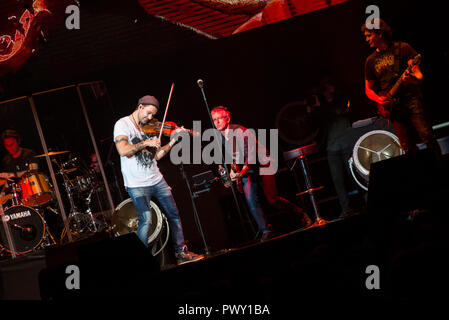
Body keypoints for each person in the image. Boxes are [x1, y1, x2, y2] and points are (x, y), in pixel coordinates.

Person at [113, 95, 203, 265]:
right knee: (146, 219)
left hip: (156, 179)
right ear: (140, 107)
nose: (149, 118)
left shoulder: (149, 128)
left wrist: (173, 142)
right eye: (147, 113)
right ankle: (139, 262)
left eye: (152, 116)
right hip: (136, 184)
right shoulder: (122, 124)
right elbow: (123, 150)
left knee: (174, 214)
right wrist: (145, 143)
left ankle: (181, 253)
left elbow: (156, 156)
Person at [211, 106, 312, 242]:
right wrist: (232, 172)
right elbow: (234, 156)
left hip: (263, 164)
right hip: (248, 169)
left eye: (219, 119)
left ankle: (299, 213)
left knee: (272, 199)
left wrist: (240, 173)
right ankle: (266, 230)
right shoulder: (223, 137)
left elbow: (250, 156)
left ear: (227, 119)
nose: (216, 122)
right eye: (214, 119)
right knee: (250, 200)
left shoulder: (240, 132)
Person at [362, 18, 441, 160]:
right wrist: (379, 99)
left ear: (379, 33)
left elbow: (419, 76)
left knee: (427, 135)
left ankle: (439, 167)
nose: (367, 39)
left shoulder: (403, 48)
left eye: (369, 35)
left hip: (411, 100)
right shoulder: (370, 61)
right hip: (392, 107)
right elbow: (368, 90)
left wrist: (410, 79)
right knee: (406, 145)